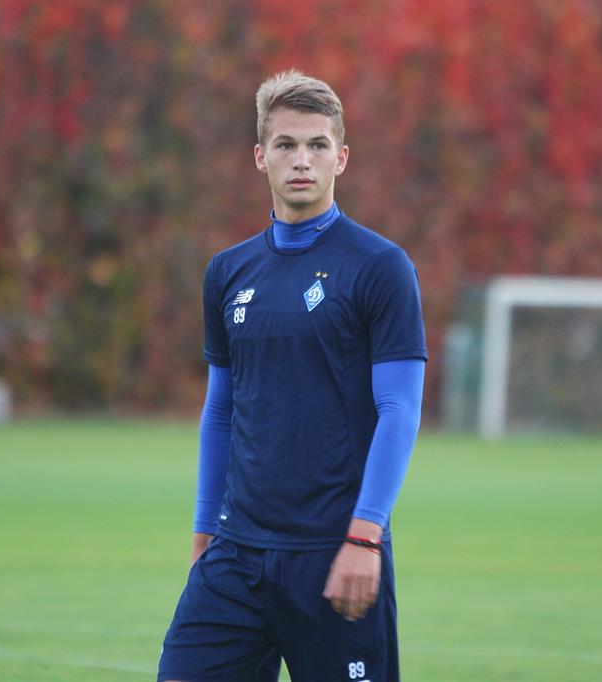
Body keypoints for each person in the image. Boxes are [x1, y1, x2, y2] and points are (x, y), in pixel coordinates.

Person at [157, 70, 427, 682]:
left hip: (336, 552)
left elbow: (399, 408)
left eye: (316, 145)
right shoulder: (227, 272)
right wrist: (204, 533)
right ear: (260, 156)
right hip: (236, 556)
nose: (301, 160)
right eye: (285, 144)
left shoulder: (381, 267)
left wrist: (365, 536)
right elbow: (221, 410)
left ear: (341, 158)